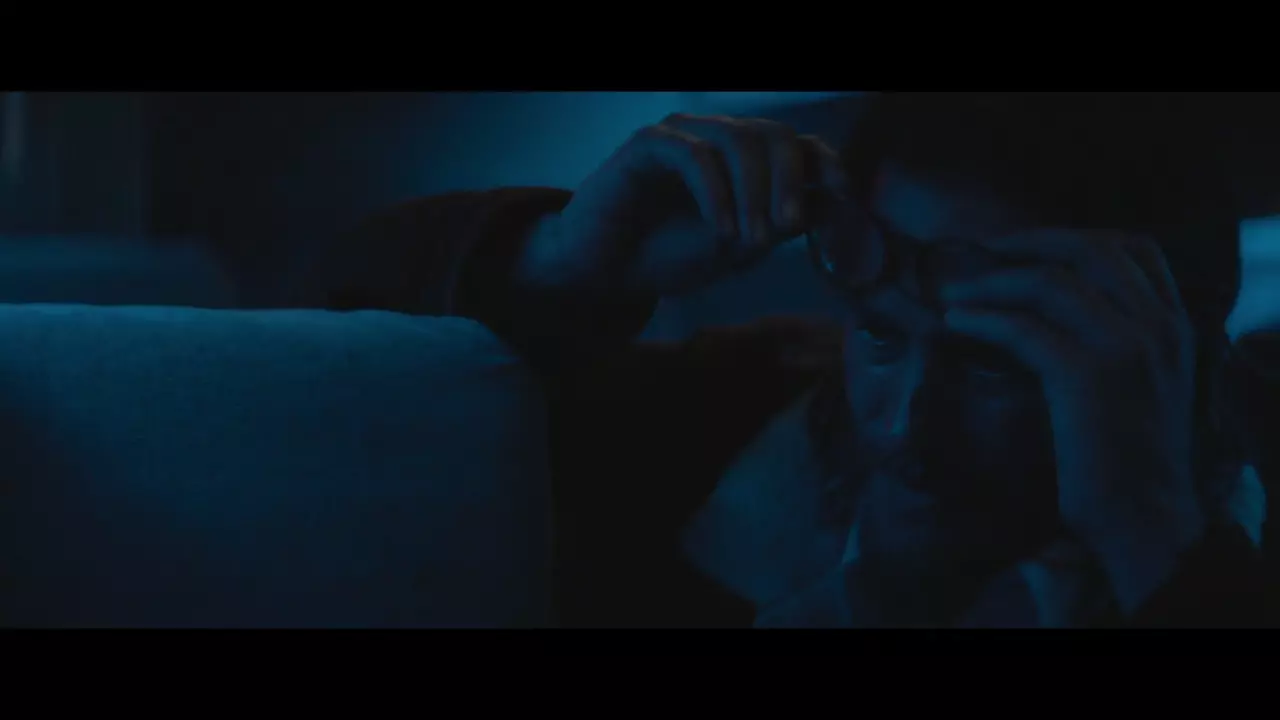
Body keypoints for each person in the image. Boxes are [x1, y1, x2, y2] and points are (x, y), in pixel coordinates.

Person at [288, 92, 1275, 627]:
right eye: (881, 334)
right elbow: (297, 397)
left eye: (997, 366)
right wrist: (557, 262)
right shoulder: (713, 421)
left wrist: (1149, 529)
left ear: (1164, 357)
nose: (906, 429)